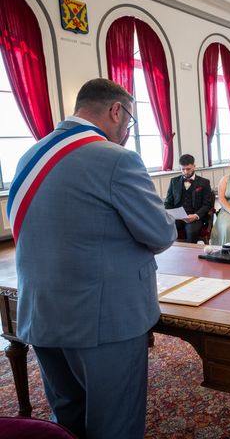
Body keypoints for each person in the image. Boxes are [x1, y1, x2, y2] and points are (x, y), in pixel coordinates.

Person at [9, 78, 176, 438]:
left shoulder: (31, 154)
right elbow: (162, 234)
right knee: (115, 422)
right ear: (116, 110)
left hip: (43, 312)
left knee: (67, 416)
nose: (128, 133)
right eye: (129, 123)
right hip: (105, 319)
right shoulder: (117, 159)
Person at [164, 154, 212, 243]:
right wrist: (172, 214)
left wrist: (195, 216)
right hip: (177, 218)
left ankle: (190, 255)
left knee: (191, 231)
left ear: (194, 166)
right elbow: (168, 202)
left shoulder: (204, 182)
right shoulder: (174, 181)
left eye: (188, 169)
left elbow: (207, 204)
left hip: (194, 217)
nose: (185, 172)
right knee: (164, 228)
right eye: (183, 169)